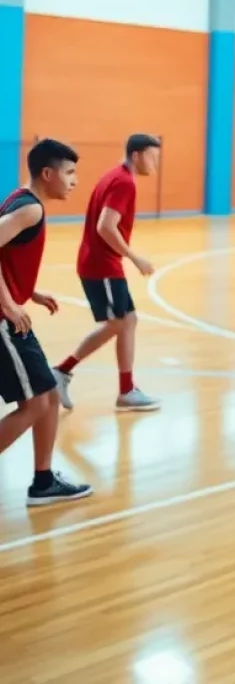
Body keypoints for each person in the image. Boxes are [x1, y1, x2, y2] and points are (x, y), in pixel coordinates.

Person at [0, 138, 92, 506]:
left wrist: (28, 291)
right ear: (48, 173)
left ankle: (43, 481)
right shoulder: (31, 210)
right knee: (35, 405)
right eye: (69, 173)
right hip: (4, 322)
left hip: (10, 315)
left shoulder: (19, 198)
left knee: (49, 394)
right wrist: (8, 303)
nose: (74, 181)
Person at [52, 133, 161, 413]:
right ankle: (61, 372)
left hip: (100, 262)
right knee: (118, 322)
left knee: (128, 320)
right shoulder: (124, 182)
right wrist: (135, 258)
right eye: (152, 157)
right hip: (100, 265)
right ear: (136, 156)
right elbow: (105, 226)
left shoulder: (115, 176)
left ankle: (126, 390)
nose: (155, 164)